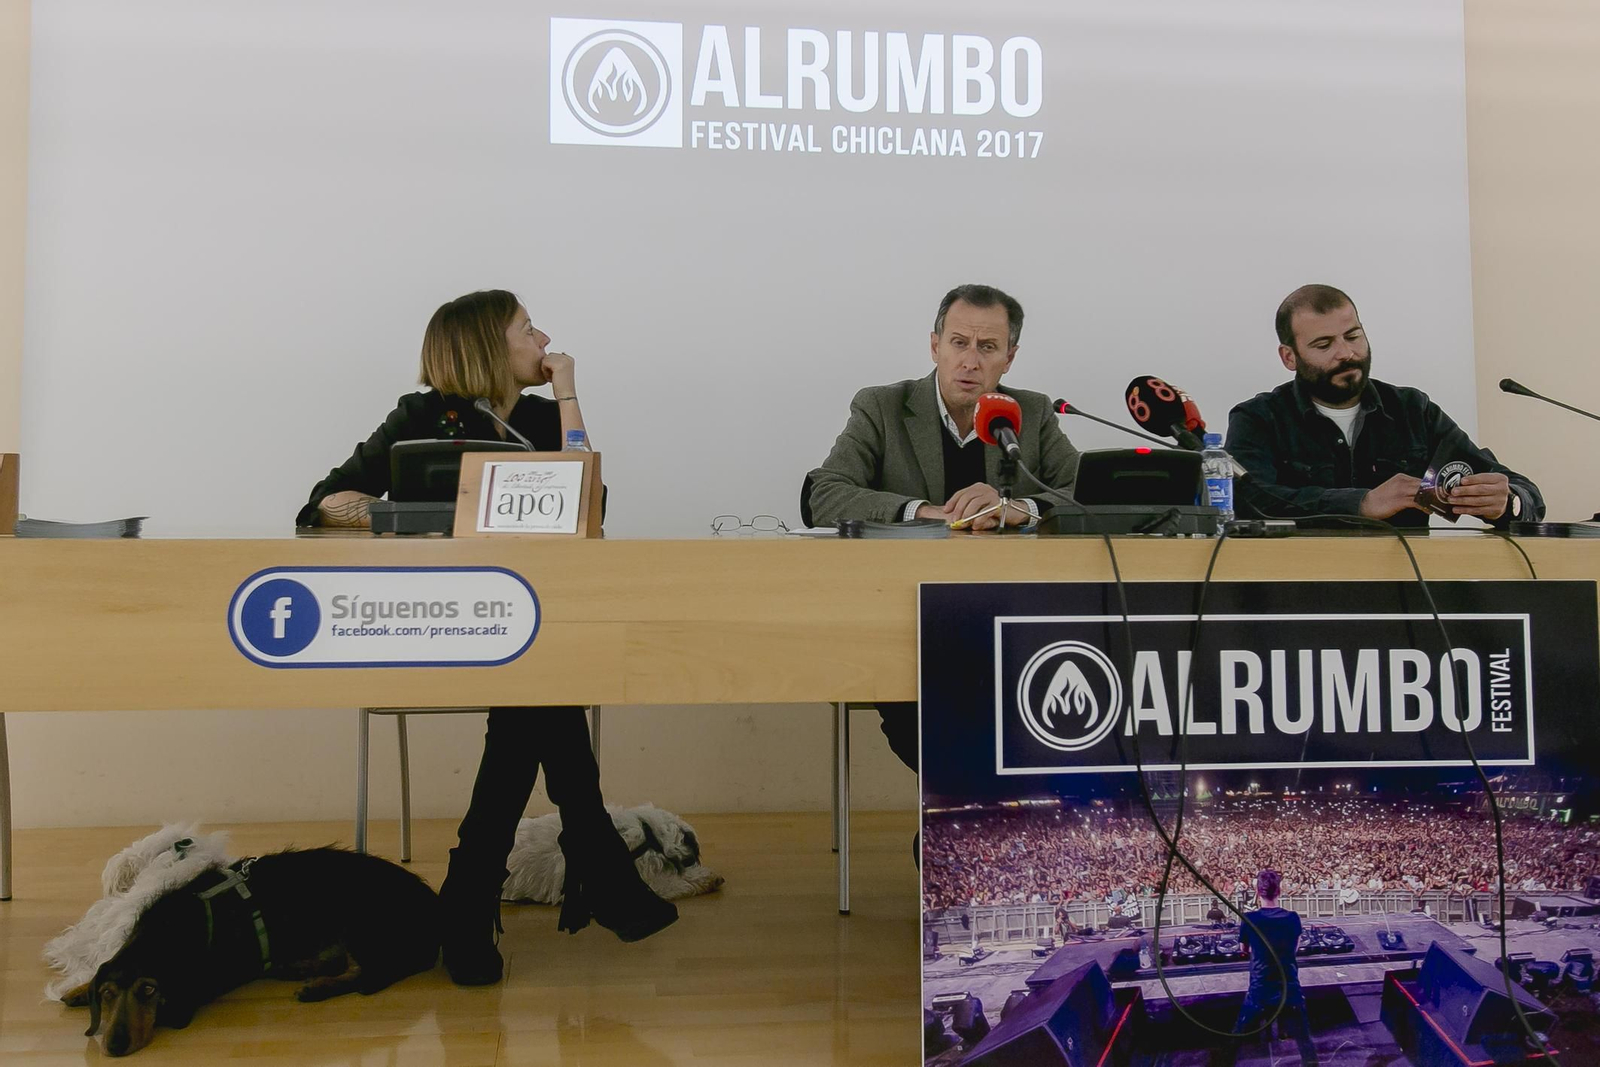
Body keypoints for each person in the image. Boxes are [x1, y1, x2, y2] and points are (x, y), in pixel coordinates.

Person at [296, 289, 676, 985]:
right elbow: (324, 500)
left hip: (522, 628)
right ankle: (591, 855)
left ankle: (470, 894)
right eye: (529, 330)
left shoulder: (542, 418)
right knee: (538, 683)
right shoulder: (419, 417)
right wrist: (416, 517)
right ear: (487, 347)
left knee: (531, 685)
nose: (545, 340)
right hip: (441, 622)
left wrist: (568, 395)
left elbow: (590, 504)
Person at [802, 283, 1081, 776]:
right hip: (908, 628)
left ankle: (987, 812)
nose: (970, 361)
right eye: (958, 343)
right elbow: (824, 494)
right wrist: (925, 512)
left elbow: (1087, 492)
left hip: (1011, 626)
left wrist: (1020, 508)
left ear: (1009, 358)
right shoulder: (883, 407)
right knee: (940, 738)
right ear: (935, 346)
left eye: (988, 347)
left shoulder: (1031, 413)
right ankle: (964, 809)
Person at [1226, 285, 1543, 527]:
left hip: (1406, 583)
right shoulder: (1258, 419)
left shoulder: (1412, 410)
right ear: (1289, 357)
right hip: (1299, 582)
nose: (1346, 353)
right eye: (1324, 344)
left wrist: (1508, 502)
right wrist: (1361, 503)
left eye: (1353, 336)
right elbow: (1246, 502)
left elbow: (1522, 492)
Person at [1216, 869, 1318, 1066]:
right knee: (1305, 1042)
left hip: (1260, 989)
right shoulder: (1293, 918)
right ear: (1279, 891)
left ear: (1257, 892)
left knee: (1236, 1037)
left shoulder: (1250, 919)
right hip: (1288, 988)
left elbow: (1244, 949)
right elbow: (1294, 949)